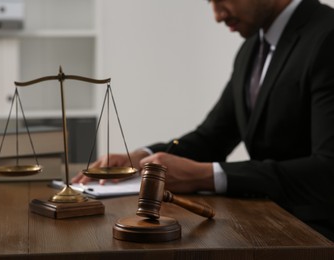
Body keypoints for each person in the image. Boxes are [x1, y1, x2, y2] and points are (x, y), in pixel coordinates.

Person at [72, 0, 334, 240]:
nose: (217, 15)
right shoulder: (252, 48)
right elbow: (213, 136)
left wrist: (206, 176)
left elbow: (328, 170)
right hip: (271, 224)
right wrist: (141, 158)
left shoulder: (327, 36)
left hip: (317, 235)